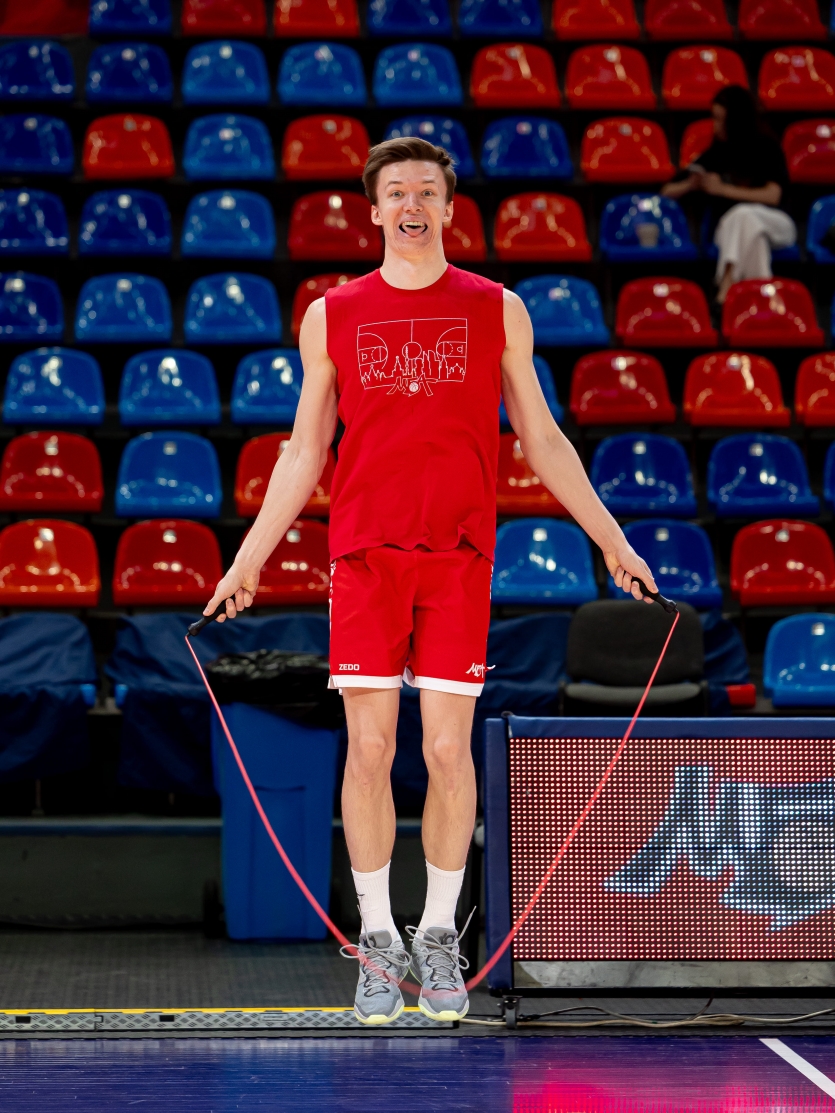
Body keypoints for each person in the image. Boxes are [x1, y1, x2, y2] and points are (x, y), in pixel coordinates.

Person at [201, 136, 658, 1025]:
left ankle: (438, 933)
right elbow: (304, 449)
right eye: (396, 192)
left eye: (425, 191)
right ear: (373, 210)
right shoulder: (333, 313)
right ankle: (378, 938)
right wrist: (248, 557)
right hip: (365, 556)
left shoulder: (497, 308)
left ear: (448, 208)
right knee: (369, 750)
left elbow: (542, 438)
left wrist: (610, 539)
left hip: (457, 556)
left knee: (448, 752)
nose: (410, 204)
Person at [662, 85, 795, 304]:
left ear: (737, 121)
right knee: (753, 237)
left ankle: (727, 286)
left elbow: (773, 196)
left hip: (776, 224)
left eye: (720, 120)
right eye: (714, 118)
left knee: (743, 215)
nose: (715, 126)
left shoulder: (767, 147)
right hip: (730, 231)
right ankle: (763, 300)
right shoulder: (715, 153)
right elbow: (667, 191)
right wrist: (692, 184)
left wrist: (722, 189)